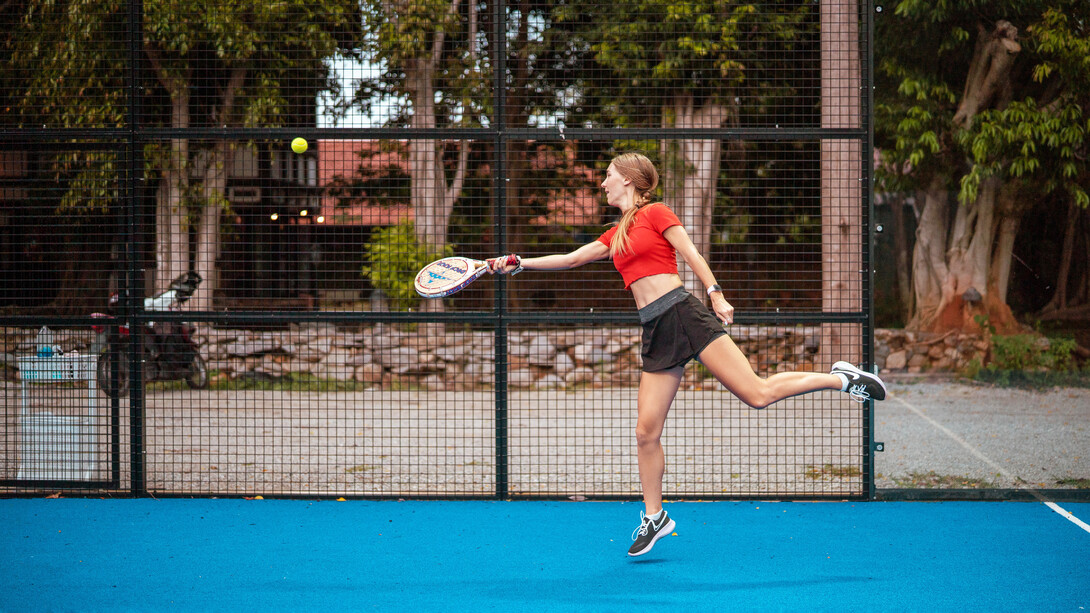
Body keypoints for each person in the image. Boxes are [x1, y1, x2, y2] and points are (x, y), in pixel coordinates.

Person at [490, 152, 886, 557]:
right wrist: (518, 263)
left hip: (684, 314)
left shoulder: (656, 213)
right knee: (646, 433)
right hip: (655, 328)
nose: (603, 182)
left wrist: (716, 293)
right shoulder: (617, 233)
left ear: (628, 179)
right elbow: (572, 258)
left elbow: (691, 253)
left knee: (758, 394)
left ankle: (842, 378)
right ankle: (655, 517)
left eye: (608, 175)